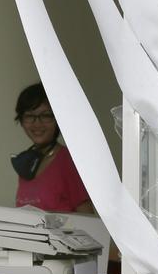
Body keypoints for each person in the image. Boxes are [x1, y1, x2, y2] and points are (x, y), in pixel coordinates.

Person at [11, 82, 95, 214]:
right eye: (29, 116)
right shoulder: (26, 162)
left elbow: (88, 218)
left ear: (58, 119)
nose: (37, 123)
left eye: (46, 115)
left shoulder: (68, 161)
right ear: (21, 120)